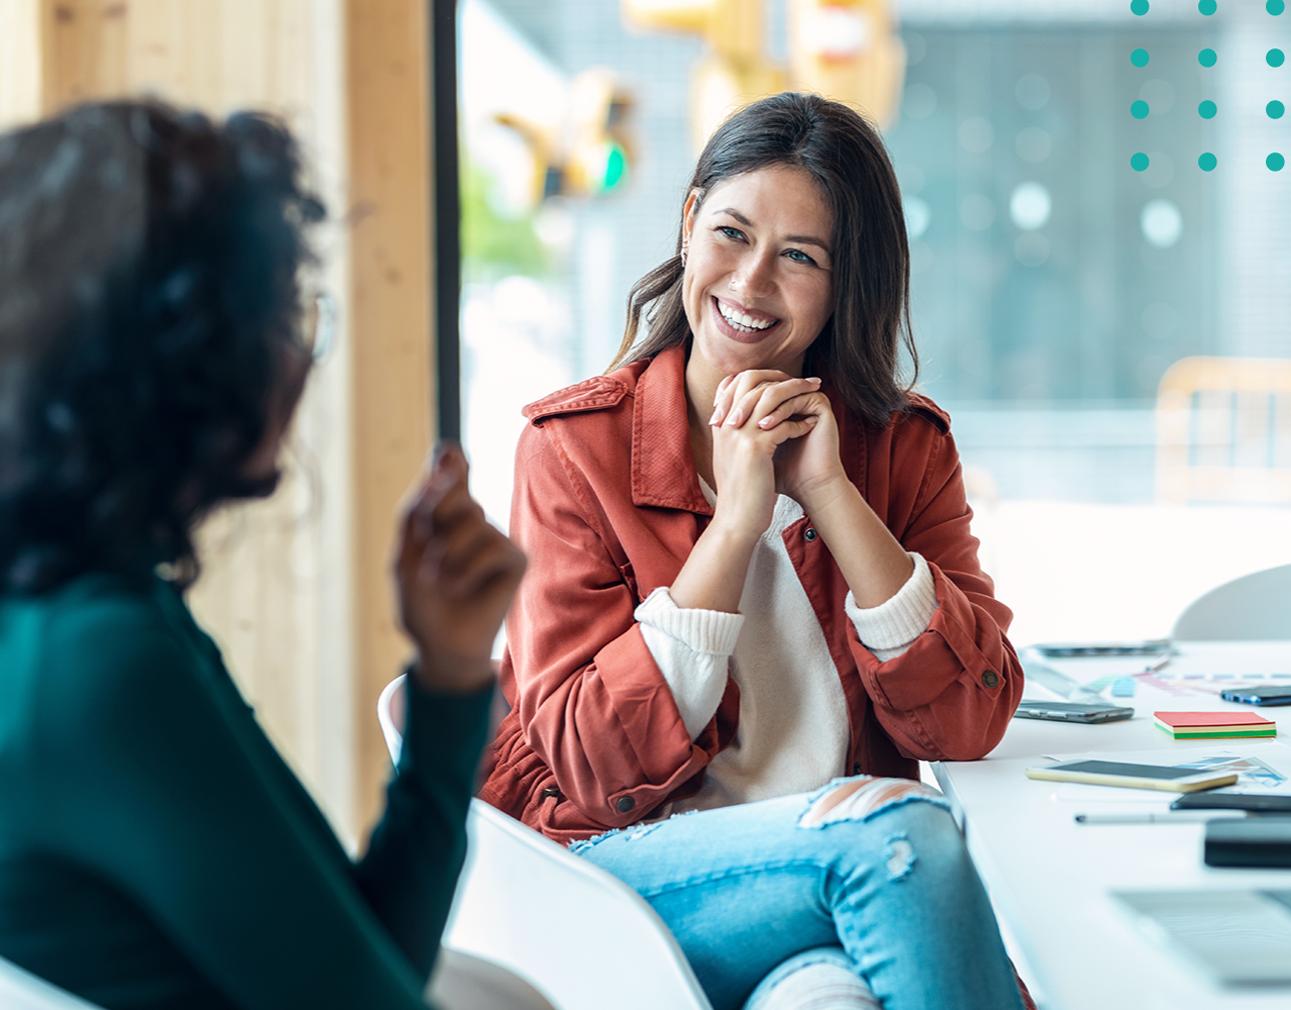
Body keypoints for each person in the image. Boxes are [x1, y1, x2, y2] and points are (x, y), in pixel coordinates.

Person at [480, 92, 1034, 1010]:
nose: (750, 283)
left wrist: (828, 491)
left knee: (822, 998)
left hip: (818, 894)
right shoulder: (572, 449)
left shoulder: (902, 450)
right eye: (731, 234)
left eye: (800, 257)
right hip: (627, 875)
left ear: (845, 282)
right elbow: (589, 766)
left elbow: (965, 726)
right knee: (906, 840)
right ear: (690, 221)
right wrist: (734, 528)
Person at [0, 100, 534, 1010]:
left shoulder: (74, 608)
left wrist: (448, 677)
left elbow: (367, 960)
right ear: (188, 357)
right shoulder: (101, 663)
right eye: (286, 315)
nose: (301, 357)